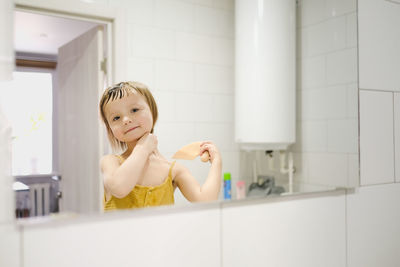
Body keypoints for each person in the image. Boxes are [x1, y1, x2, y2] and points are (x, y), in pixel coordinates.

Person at [99, 81, 222, 211]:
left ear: (152, 111)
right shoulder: (110, 162)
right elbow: (119, 188)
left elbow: (205, 200)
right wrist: (143, 148)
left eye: (134, 110)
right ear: (110, 128)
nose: (125, 120)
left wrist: (217, 162)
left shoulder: (173, 170)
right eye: (116, 118)